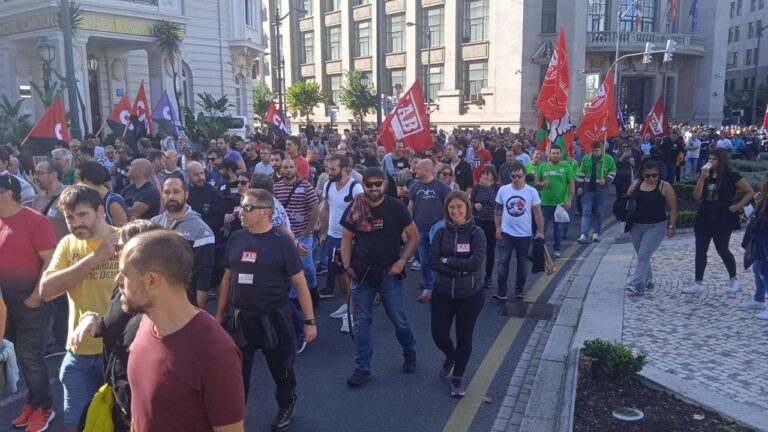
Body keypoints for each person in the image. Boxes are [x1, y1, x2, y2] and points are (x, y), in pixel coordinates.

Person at [119, 229, 245, 431]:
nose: (118, 281)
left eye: (124, 274)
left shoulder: (216, 352)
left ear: (152, 280)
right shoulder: (144, 323)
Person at [215, 189, 316, 432]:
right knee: (236, 373)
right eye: (242, 206)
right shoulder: (236, 238)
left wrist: (309, 321)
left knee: (280, 366)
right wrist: (219, 317)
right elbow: (227, 279)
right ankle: (236, 415)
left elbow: (300, 283)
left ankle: (286, 403)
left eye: (248, 207)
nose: (242, 212)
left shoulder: (282, 242)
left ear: (265, 212)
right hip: (240, 317)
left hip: (273, 316)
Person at [39, 185, 119, 432]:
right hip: (78, 354)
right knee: (76, 425)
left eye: (82, 215)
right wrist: (95, 257)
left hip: (118, 353)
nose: (76, 223)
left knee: (122, 423)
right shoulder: (68, 244)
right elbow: (47, 290)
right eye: (70, 218)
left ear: (99, 211)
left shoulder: (124, 239)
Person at [69, 220, 163, 431]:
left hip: (141, 412)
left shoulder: (159, 301)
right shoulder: (123, 285)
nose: (115, 253)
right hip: (117, 399)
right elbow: (116, 323)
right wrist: (95, 320)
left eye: (122, 248)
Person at [340, 167, 419, 386]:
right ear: (363, 185)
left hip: (388, 273)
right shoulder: (355, 206)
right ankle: (362, 367)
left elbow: (414, 236)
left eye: (378, 184)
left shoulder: (396, 207)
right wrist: (347, 267)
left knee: (398, 318)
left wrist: (402, 262)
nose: (374, 188)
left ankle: (409, 351)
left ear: (384, 184)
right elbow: (346, 239)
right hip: (362, 273)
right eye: (369, 184)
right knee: (361, 323)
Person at [0, 175, 57, 432]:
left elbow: (50, 261)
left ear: (6, 195)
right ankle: (32, 403)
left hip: (31, 301)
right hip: (5, 303)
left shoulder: (36, 221)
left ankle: (44, 407)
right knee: (20, 355)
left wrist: (36, 296)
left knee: (30, 355)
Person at [428, 191, 486, 397]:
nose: (456, 211)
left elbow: (475, 262)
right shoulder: (440, 233)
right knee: (439, 335)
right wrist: (459, 269)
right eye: (452, 207)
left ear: (467, 208)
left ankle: (458, 377)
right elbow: (433, 261)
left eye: (459, 207)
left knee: (464, 337)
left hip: (470, 295)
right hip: (443, 292)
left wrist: (449, 261)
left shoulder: (476, 233)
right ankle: (451, 357)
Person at [683, 148, 755, 294]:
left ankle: (733, 279)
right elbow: (696, 197)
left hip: (723, 215)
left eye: (714, 159)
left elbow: (749, 191)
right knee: (700, 249)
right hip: (705, 214)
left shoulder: (732, 176)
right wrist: (702, 178)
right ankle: (698, 282)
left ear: (721, 161)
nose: (711, 162)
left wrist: (737, 206)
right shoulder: (706, 175)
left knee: (722, 248)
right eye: (709, 159)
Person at [151, 175, 216, 308]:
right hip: (155, 300)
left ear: (186, 194)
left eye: (176, 192)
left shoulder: (201, 230)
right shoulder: (152, 224)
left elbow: (203, 275)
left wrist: (199, 309)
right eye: (166, 192)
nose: (171, 197)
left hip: (185, 304)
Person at [319, 155, 363, 332]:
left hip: (350, 238)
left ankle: (352, 313)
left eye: (333, 170)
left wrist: (358, 240)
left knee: (351, 274)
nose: (329, 173)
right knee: (339, 274)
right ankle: (347, 303)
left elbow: (362, 215)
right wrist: (323, 232)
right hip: (332, 236)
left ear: (344, 168)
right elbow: (327, 209)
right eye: (328, 169)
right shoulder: (328, 184)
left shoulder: (355, 187)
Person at [624, 159, 678, 296]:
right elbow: (626, 200)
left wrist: (671, 226)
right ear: (642, 173)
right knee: (642, 255)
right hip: (636, 225)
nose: (652, 178)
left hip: (656, 226)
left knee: (643, 254)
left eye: (655, 175)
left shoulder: (664, 186)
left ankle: (635, 284)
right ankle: (647, 281)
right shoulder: (636, 184)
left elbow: (672, 208)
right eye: (648, 176)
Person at [495, 162, 545, 300]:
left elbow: (537, 213)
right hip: (506, 233)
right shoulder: (503, 190)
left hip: (525, 234)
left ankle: (519, 290)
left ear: (524, 176)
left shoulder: (531, 191)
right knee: (503, 262)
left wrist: (540, 231)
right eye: (513, 176)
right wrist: (498, 227)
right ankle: (501, 291)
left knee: (522, 263)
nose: (516, 179)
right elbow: (498, 210)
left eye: (519, 176)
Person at [274, 158, 320, 303]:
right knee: (290, 267)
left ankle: (312, 288)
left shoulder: (306, 186)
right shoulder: (276, 188)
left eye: (291, 167)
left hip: (302, 234)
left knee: (307, 266)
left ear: (296, 169)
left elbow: (315, 208)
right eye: (285, 167)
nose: (288, 170)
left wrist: (308, 230)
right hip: (285, 235)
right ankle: (294, 296)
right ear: (280, 170)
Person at [409, 159, 452, 302]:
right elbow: (410, 208)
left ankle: (441, 286)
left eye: (418, 168)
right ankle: (429, 287)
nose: (415, 170)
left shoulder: (441, 186)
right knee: (425, 261)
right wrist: (407, 227)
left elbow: (451, 203)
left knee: (439, 259)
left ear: (427, 169)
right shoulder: (415, 186)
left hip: (437, 231)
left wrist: (446, 221)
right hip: (420, 230)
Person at [535, 146, 575, 258]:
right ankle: (540, 249)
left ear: (561, 154)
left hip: (560, 204)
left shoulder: (566, 167)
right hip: (545, 204)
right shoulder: (543, 167)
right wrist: (542, 184)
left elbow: (571, 184)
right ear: (549, 154)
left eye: (557, 153)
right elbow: (536, 182)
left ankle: (557, 249)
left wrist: (569, 200)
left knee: (558, 229)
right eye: (553, 153)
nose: (555, 155)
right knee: (542, 228)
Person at [576, 141, 616, 243]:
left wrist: (606, 180)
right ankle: (584, 234)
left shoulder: (608, 159)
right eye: (593, 151)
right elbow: (581, 173)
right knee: (586, 212)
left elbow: (613, 171)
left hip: (601, 190)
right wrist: (580, 186)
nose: (594, 153)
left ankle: (596, 233)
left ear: (601, 149)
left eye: (596, 151)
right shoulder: (586, 158)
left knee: (599, 213)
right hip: (587, 189)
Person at [741, 172, 768, 318]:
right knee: (758, 267)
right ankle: (759, 298)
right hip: (760, 236)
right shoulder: (764, 195)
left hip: (765, 236)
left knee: (764, 269)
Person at [470, 165, 500, 290]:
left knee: (490, 251)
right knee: (475, 250)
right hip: (478, 222)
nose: (484, 177)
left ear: (493, 176)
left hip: (491, 223)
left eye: (488, 174)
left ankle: (488, 277)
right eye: (483, 174)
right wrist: (474, 205)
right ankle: (474, 275)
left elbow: (496, 203)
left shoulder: (498, 188)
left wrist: (487, 188)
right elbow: (470, 202)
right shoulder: (477, 187)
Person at [77, 161, 129, 227]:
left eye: (76, 178)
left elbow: (123, 231)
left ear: (86, 180)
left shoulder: (113, 202)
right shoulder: (88, 199)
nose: (74, 183)